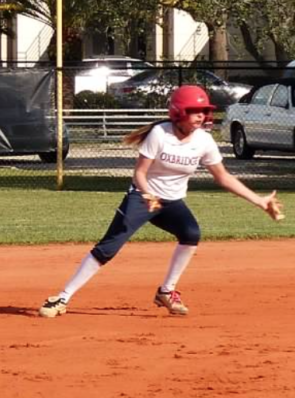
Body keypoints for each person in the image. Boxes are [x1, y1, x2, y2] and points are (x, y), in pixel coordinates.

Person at [38, 85, 283, 319]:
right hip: (142, 197)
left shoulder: (204, 141)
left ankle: (166, 291)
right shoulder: (160, 134)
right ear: (178, 113)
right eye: (193, 112)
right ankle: (62, 298)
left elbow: (223, 177)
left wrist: (259, 201)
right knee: (109, 247)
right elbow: (140, 174)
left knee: (190, 233)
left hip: (172, 201)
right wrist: (147, 194)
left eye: (203, 111)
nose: (200, 117)